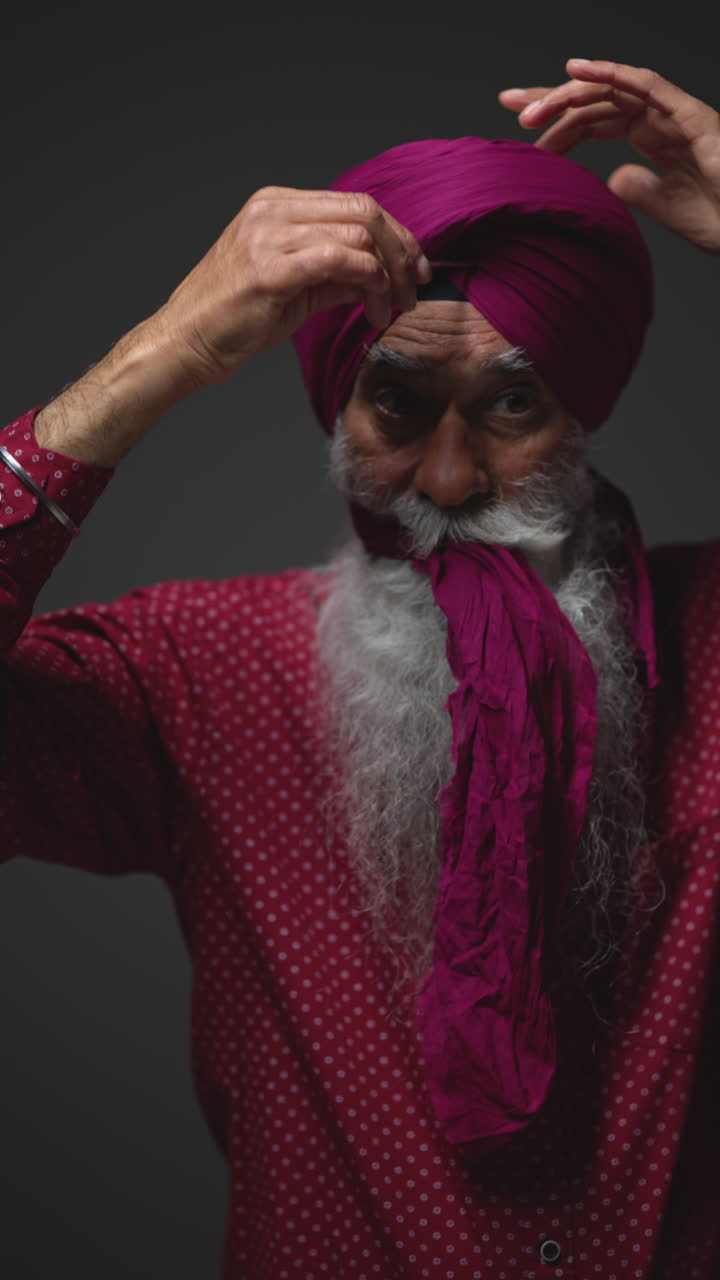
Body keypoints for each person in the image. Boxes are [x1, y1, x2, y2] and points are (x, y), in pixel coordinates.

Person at [1, 57, 719, 1278]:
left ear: (583, 412)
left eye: (512, 405)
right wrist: (163, 351)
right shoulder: (195, 673)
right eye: (397, 404)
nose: (446, 482)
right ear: (338, 406)